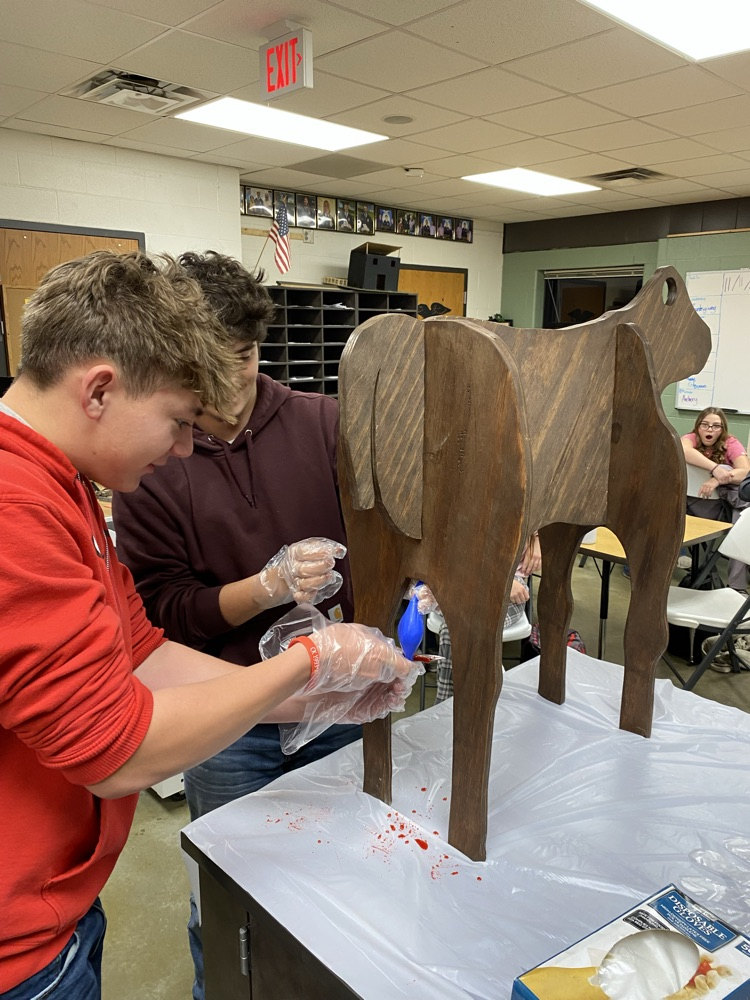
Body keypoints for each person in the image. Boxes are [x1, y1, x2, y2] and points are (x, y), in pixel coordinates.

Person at [0, 250, 412, 1000]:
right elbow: (112, 755)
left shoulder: (61, 489)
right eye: (178, 422)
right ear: (99, 390)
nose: (187, 448)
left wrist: (314, 694)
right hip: (16, 947)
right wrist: (310, 661)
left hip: (51, 909)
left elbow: (145, 653)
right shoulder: (16, 506)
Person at [111, 251, 362, 999]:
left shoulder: (324, 424)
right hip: (224, 717)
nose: (234, 380)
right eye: (212, 365)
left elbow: (393, 529)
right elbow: (162, 613)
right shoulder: (152, 459)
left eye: (246, 356)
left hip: (329, 702)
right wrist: (263, 589)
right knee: (224, 895)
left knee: (337, 876)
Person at [682, 407, 750, 591]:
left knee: (744, 516)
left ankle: (736, 585)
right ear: (698, 427)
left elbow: (745, 472)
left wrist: (717, 478)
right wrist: (715, 468)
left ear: (722, 429)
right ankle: (735, 584)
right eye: (705, 425)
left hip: (720, 508)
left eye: (716, 426)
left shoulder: (730, 443)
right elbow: (683, 449)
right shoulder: (691, 439)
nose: (710, 430)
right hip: (691, 506)